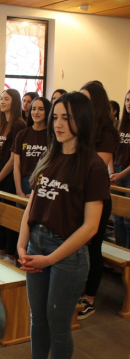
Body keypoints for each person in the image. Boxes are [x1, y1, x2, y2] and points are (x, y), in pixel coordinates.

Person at [17, 92, 108, 359]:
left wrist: (51, 258)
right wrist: (22, 244)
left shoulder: (92, 166)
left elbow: (91, 227)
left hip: (67, 254)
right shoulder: (49, 157)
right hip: (36, 245)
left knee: (58, 326)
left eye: (66, 118)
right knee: (38, 321)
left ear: (81, 119)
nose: (58, 124)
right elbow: (30, 208)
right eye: (55, 117)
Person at [78, 81, 119, 320]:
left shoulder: (107, 131)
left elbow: (97, 166)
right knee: (80, 247)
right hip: (78, 197)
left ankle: (90, 299)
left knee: (93, 248)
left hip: (97, 197)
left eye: (86, 98)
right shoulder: (84, 128)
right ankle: (79, 289)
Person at [0, 89, 26, 264]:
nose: (1, 101)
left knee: (9, 215)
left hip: (9, 175)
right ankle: (1, 249)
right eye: (0, 98)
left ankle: (11, 254)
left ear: (15, 102)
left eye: (6, 99)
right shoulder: (1, 123)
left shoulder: (19, 125)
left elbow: (12, 160)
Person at [13, 97, 51, 199]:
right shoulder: (22, 134)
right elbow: (16, 165)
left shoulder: (52, 136)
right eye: (33, 109)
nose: (36, 112)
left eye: (41, 109)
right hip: (24, 183)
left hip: (45, 185)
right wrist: (19, 190)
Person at [110, 90, 130, 249]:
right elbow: (111, 151)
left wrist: (121, 174)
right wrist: (112, 172)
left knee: (128, 219)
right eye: (127, 100)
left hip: (128, 173)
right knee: (117, 217)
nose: (129, 103)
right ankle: (120, 252)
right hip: (116, 170)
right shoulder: (120, 125)